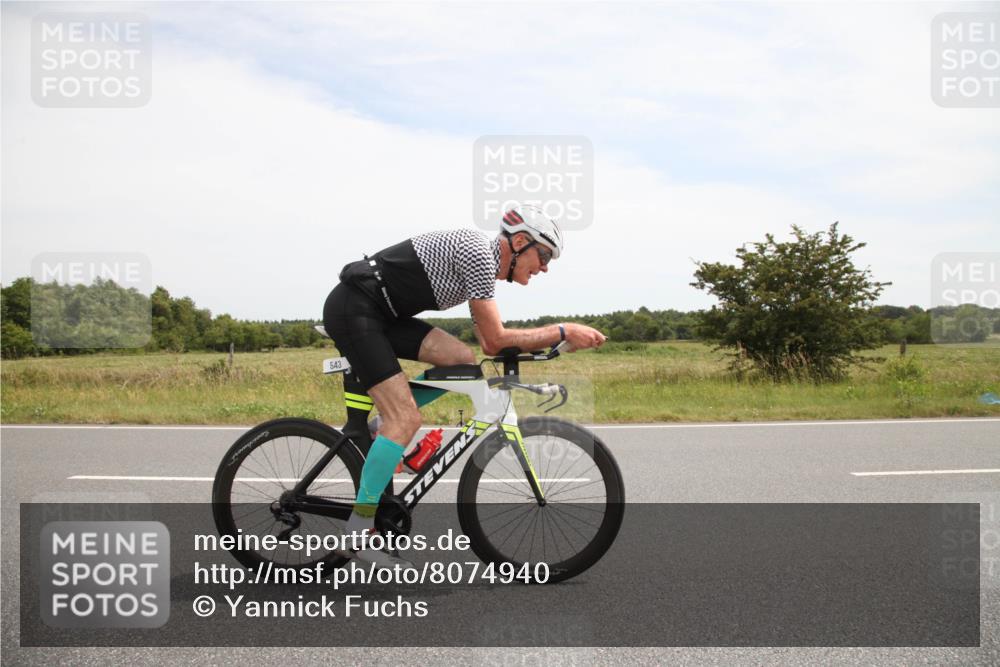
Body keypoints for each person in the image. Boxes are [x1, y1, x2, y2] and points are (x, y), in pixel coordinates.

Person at [322, 204, 606, 568]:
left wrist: (553, 343)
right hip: (356, 309)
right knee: (405, 419)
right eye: (545, 255)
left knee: (461, 360)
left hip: (381, 314)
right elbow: (495, 340)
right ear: (520, 242)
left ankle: (384, 427)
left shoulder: (484, 265)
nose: (545, 267)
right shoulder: (478, 254)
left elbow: (486, 346)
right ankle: (359, 532)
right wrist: (563, 330)